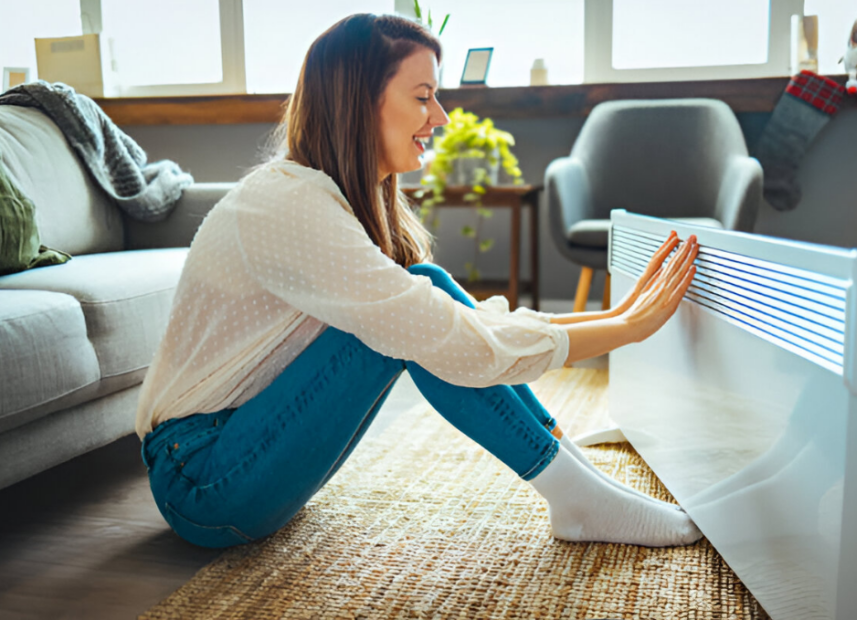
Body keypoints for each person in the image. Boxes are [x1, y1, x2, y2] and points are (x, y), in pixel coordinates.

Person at [135, 13, 702, 551]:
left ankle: (576, 482)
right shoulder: (288, 203)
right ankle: (578, 497)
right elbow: (447, 337)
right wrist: (624, 328)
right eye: (424, 96)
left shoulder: (327, 200)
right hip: (203, 481)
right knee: (406, 323)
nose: (442, 117)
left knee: (420, 295)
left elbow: (456, 324)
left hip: (240, 455)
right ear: (360, 103)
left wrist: (614, 318)